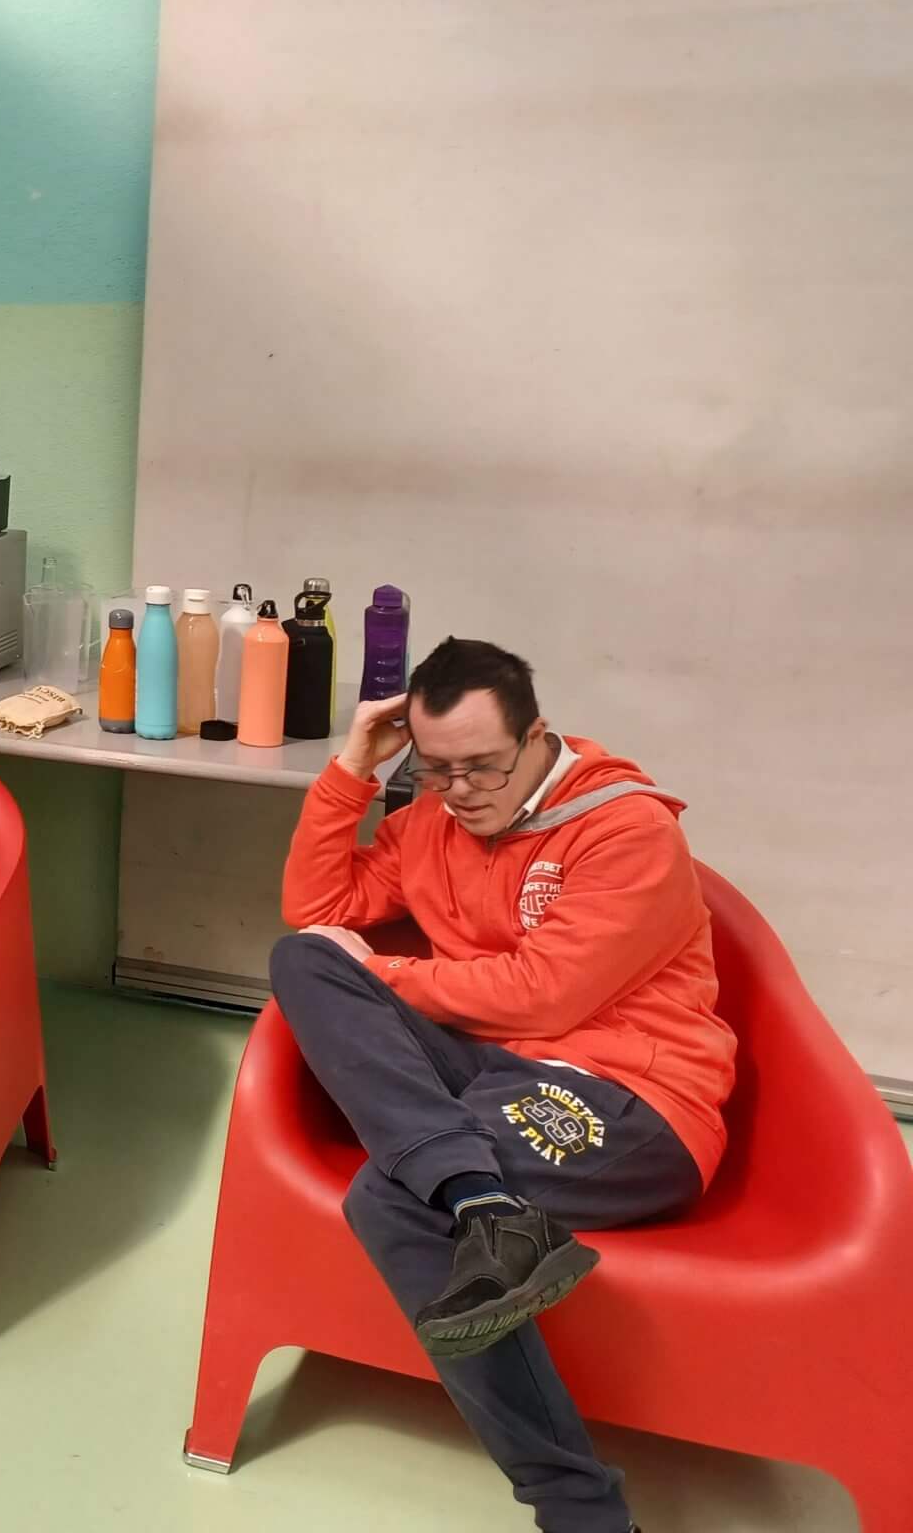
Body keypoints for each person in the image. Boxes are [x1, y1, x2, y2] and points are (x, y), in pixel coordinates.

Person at [269, 637, 735, 1533]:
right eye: (437, 770)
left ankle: (584, 1515)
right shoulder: (429, 822)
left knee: (392, 1198)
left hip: (632, 1101)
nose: (462, 791)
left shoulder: (626, 830)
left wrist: (382, 971)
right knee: (302, 961)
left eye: (482, 766)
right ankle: (483, 1203)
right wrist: (352, 770)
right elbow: (317, 913)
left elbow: (542, 995)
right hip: (498, 1074)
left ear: (535, 737)